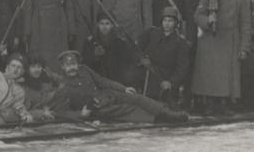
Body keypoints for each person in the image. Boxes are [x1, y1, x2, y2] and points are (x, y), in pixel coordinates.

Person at [45, 51, 188, 124]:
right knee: (126, 109)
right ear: (63, 67)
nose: (72, 68)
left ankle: (166, 112)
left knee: (134, 97)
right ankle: (160, 119)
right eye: (68, 65)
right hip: (96, 108)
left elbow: (102, 81)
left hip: (106, 95)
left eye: (74, 64)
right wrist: (80, 115)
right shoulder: (62, 86)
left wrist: (123, 88)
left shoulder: (84, 69)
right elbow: (60, 111)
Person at [191, 0, 253, 115]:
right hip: (210, 40)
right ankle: (208, 103)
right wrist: (208, 20)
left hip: (230, 41)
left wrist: (244, 47)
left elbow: (246, 25)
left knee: (226, 75)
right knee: (209, 73)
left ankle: (223, 103)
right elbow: (197, 16)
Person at [135, 7, 191, 109]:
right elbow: (137, 48)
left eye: (170, 21)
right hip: (149, 73)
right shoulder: (151, 33)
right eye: (165, 20)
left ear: (175, 23)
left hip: (166, 77)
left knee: (166, 106)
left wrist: (171, 83)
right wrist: (142, 59)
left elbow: (182, 67)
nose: (167, 23)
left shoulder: (180, 42)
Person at [83, 13, 138, 84]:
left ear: (112, 25)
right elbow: (85, 64)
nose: (104, 27)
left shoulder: (119, 43)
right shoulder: (90, 42)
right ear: (97, 25)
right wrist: (94, 56)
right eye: (101, 23)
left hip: (116, 81)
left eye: (107, 24)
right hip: (97, 81)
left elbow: (125, 64)